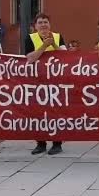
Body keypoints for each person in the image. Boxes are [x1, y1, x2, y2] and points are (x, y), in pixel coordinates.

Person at [25, 13, 67, 155]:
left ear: (50, 24)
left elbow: (66, 57)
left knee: (55, 112)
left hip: (56, 81)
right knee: (38, 112)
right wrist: (44, 45)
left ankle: (57, 143)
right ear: (35, 26)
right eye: (40, 22)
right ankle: (41, 143)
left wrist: (53, 44)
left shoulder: (58, 36)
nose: (43, 25)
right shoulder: (30, 38)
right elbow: (30, 58)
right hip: (37, 80)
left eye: (46, 22)